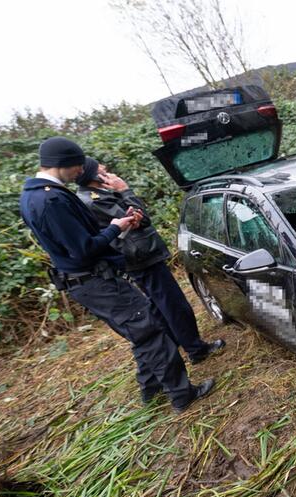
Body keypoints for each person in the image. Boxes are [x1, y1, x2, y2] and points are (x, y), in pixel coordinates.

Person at [19, 136, 214, 413]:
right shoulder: (51, 200)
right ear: (64, 163)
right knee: (149, 332)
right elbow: (83, 249)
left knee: (141, 331)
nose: (80, 172)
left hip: (93, 279)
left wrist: (116, 228)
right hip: (96, 280)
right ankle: (183, 394)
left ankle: (151, 389)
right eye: (77, 165)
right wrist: (115, 227)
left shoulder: (36, 195)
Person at [75, 158, 225, 364]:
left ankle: (175, 346)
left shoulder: (93, 196)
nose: (105, 169)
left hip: (135, 256)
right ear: (93, 174)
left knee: (158, 305)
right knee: (173, 304)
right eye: (100, 167)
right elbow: (140, 219)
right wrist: (125, 190)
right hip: (140, 257)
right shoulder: (96, 199)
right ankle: (196, 349)